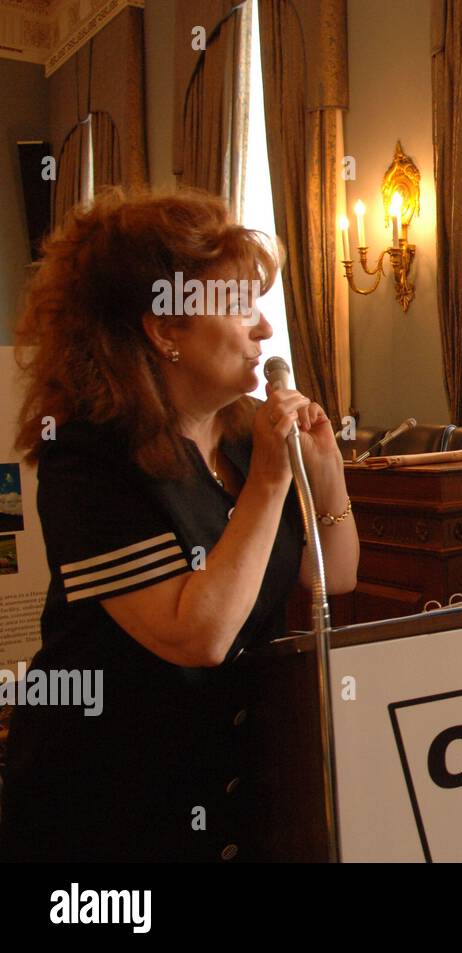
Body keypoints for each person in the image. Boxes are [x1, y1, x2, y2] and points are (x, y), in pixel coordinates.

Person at [0, 190, 359, 862]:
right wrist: (272, 483)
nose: (264, 330)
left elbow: (331, 575)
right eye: (239, 306)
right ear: (164, 330)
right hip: (108, 799)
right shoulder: (87, 458)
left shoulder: (249, 438)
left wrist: (328, 474)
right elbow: (199, 634)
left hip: (228, 776)